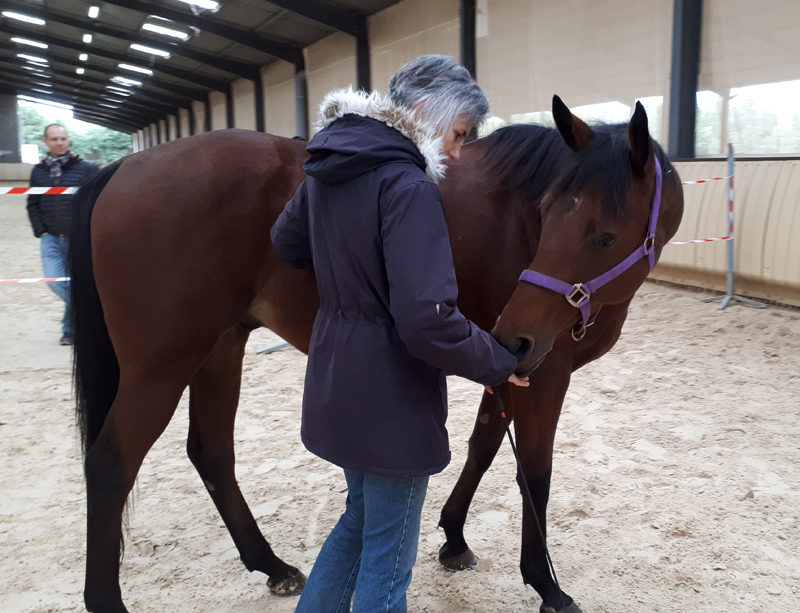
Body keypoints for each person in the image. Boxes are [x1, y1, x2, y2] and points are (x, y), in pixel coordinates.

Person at [270, 55, 528, 613]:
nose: (458, 152)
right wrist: (498, 363)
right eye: (459, 133)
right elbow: (427, 317)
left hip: (338, 374)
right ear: (420, 112)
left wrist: (348, 269)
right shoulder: (407, 185)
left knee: (359, 521)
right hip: (391, 395)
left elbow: (286, 243)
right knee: (387, 565)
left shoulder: (329, 164)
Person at [26, 124, 96, 345]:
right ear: (45, 141)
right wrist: (41, 230)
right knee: (55, 281)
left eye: (63, 138)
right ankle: (93, 313)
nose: (60, 142)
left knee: (75, 282)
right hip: (50, 239)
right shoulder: (38, 171)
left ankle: (70, 331)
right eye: (54, 139)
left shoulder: (86, 169)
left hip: (78, 239)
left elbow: (96, 201)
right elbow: (33, 204)